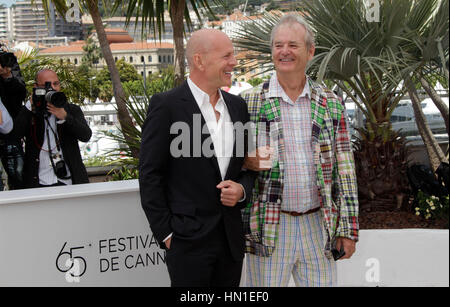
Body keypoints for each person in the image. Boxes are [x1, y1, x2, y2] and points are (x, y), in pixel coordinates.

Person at [241, 14, 359, 287]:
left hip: (319, 226)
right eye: (278, 45)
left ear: (310, 51)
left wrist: (348, 229)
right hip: (270, 228)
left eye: (293, 45)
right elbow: (227, 161)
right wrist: (248, 160)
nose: (284, 52)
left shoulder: (330, 102)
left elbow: (345, 168)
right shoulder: (248, 102)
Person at [139, 29, 255, 287]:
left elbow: (247, 167)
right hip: (187, 244)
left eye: (233, 55)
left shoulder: (238, 107)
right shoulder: (166, 105)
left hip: (231, 242)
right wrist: (167, 234)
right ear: (200, 60)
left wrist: (242, 190)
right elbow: (150, 174)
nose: (234, 62)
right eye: (226, 56)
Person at [13, 69, 92, 188]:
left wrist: (65, 117)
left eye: (56, 84)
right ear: (36, 87)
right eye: (47, 85)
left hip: (69, 180)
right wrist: (30, 105)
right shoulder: (30, 112)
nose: (52, 89)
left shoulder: (71, 110)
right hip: (38, 181)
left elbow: (86, 135)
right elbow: (14, 136)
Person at [0, 52, 27, 190]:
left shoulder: (7, 60)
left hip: (10, 134)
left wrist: (7, 77)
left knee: (18, 176)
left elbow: (22, 92)